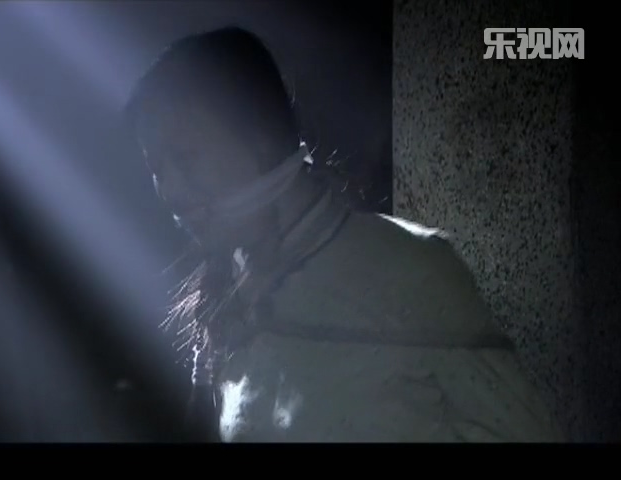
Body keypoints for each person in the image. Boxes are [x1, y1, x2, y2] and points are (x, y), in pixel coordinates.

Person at [124, 26, 564, 442]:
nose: (171, 191)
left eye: (186, 158)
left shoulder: (409, 270)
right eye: (157, 168)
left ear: (260, 135)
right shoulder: (227, 304)